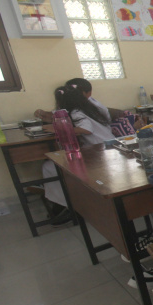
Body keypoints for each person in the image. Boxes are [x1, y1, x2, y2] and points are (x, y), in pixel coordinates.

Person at [41, 85, 115, 224]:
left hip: (101, 152)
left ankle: (68, 206)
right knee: (59, 164)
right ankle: (68, 204)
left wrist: (57, 128)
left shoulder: (76, 112)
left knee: (52, 167)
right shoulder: (88, 109)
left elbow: (86, 130)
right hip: (107, 147)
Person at [34, 77, 124, 124]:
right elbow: (58, 113)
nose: (70, 95)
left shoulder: (92, 106)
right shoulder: (73, 104)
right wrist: (42, 113)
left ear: (88, 93)